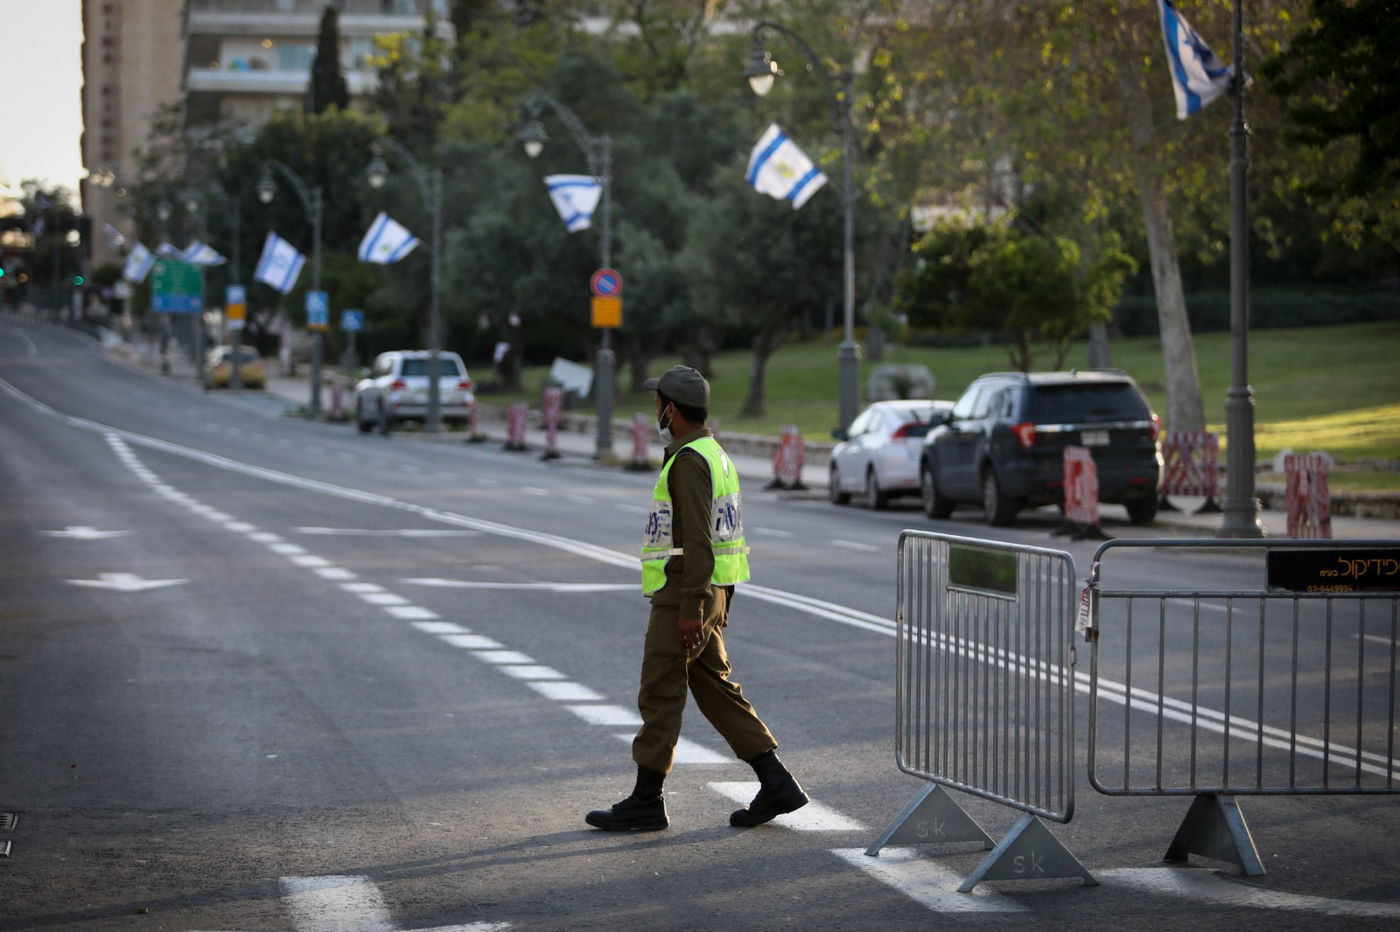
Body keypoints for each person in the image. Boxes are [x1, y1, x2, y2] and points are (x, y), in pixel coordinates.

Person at [586, 365, 808, 832]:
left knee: (660, 691)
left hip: (685, 594)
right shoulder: (715, 453)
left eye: (658, 404)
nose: (655, 412)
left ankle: (647, 801)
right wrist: (715, 602)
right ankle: (776, 782)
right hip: (710, 593)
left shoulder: (690, 461)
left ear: (671, 409)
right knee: (714, 689)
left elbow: (700, 542)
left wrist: (691, 607)